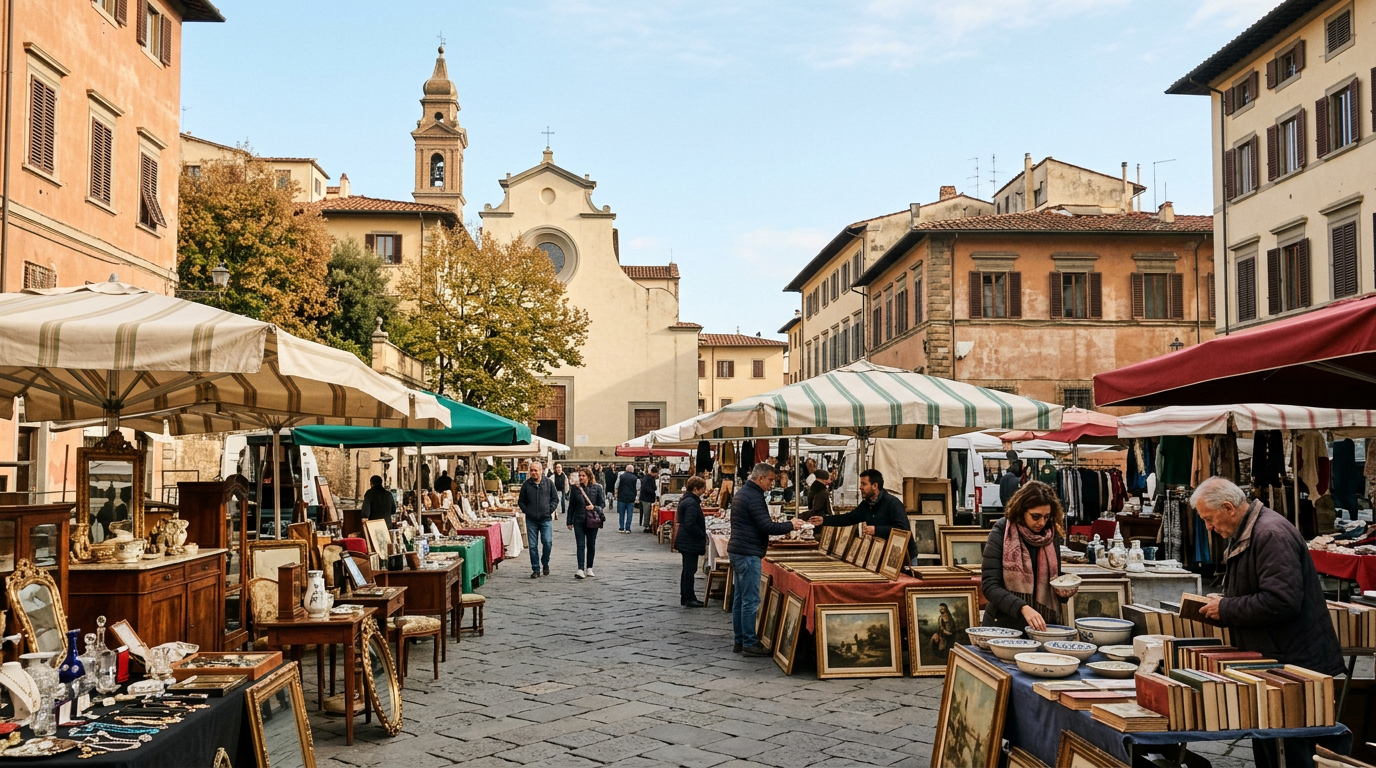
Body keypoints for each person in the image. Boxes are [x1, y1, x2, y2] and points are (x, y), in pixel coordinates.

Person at [1190, 477, 1343, 768]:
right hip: (1277, 657)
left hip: (1294, 662)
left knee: (1293, 751)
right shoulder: (1250, 529)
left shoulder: (1270, 533)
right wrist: (1223, 603)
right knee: (1271, 745)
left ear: (1228, 507)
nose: (1208, 527)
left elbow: (1282, 601)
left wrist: (1227, 607)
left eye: (1209, 519)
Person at [728, 463, 804, 656]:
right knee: (750, 600)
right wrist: (790, 525)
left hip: (739, 550)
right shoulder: (753, 496)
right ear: (760, 478)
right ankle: (749, 642)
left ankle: (740, 640)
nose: (772, 484)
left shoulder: (744, 493)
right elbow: (766, 526)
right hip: (747, 552)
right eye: (770, 480)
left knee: (740, 598)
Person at [980, 481, 1063, 630]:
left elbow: (1055, 578)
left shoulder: (1051, 535)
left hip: (1042, 626)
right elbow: (990, 585)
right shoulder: (1002, 531)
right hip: (1004, 625)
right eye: (1036, 516)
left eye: (1046, 516)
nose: (1042, 522)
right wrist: (1023, 607)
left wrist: (1063, 591)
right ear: (1021, 510)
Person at [809, 469, 915, 563]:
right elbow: (848, 518)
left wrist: (876, 530)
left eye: (864, 484)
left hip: (903, 557)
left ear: (875, 486)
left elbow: (904, 529)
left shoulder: (892, 503)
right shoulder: (867, 504)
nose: (860, 487)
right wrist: (824, 520)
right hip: (882, 554)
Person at [518, 461, 558, 578]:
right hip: (531, 520)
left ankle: (545, 562)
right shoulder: (526, 485)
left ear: (541, 471)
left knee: (547, 542)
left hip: (545, 519)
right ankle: (536, 569)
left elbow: (555, 499)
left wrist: (549, 510)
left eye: (536, 470)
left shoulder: (549, 483)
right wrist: (527, 511)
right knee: (533, 546)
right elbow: (521, 501)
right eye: (532, 470)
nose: (533, 473)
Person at [675, 476, 708, 607]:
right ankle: (689, 597)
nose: (704, 491)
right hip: (689, 541)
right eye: (702, 489)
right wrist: (701, 535)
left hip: (685, 540)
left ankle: (687, 596)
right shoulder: (691, 503)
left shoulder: (687, 500)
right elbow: (690, 523)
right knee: (689, 570)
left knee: (687, 570)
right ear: (695, 489)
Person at [567, 468, 604, 579]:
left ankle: (589, 567)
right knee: (580, 545)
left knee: (591, 545)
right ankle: (580, 569)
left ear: (588, 476)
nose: (581, 477)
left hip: (592, 520)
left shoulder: (597, 488)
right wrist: (569, 521)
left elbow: (602, 504)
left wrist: (594, 507)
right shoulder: (575, 489)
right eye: (580, 476)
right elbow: (571, 506)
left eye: (583, 475)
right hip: (579, 519)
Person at [614, 464, 638, 534]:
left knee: (621, 513)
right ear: (632, 470)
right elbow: (637, 488)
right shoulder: (635, 478)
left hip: (622, 497)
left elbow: (616, 485)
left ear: (626, 469)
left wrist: (616, 494)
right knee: (629, 514)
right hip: (631, 498)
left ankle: (621, 527)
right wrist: (636, 497)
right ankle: (628, 528)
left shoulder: (621, 477)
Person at [638, 465, 658, 531]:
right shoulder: (648, 478)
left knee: (648, 512)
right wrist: (653, 490)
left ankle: (647, 525)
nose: (656, 474)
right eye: (656, 473)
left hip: (647, 497)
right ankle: (646, 526)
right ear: (653, 472)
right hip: (646, 498)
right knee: (647, 512)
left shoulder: (649, 478)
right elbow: (646, 488)